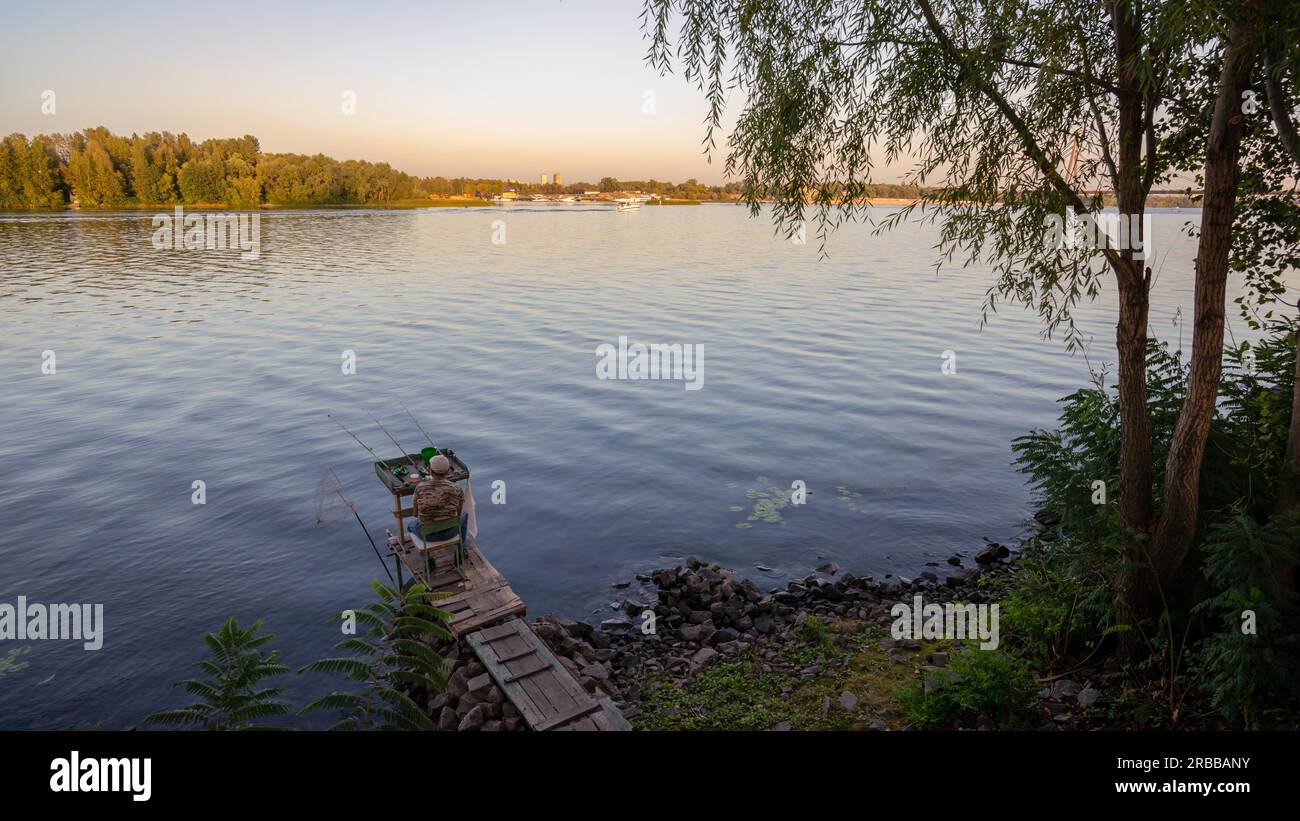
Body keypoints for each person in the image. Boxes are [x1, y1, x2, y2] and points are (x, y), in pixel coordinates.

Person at [408, 455, 469, 546]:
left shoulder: (420, 487)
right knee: (465, 515)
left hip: (427, 535)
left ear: (430, 471)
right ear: (448, 471)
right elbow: (458, 513)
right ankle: (462, 547)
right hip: (450, 533)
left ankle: (427, 557)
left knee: (410, 525)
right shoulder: (456, 488)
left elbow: (415, 514)